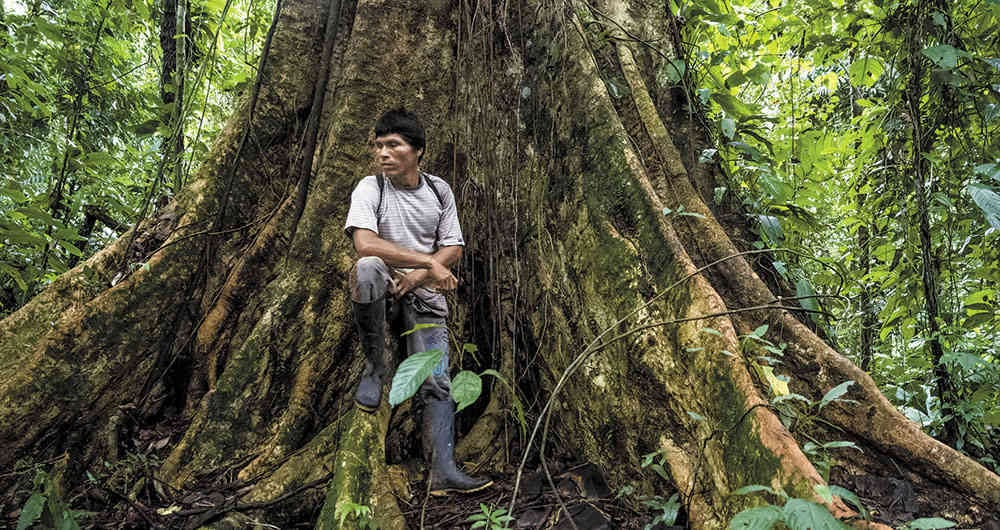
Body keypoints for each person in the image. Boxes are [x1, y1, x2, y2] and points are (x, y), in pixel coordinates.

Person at [343, 108, 492, 495]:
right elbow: (365, 244)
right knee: (368, 268)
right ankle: (376, 368)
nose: (383, 153)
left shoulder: (439, 190)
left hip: (424, 297)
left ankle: (443, 472)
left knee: (437, 382)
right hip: (382, 293)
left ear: (418, 151)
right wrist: (426, 261)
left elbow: (454, 247)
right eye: (378, 146)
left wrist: (420, 276)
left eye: (393, 145)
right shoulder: (370, 188)